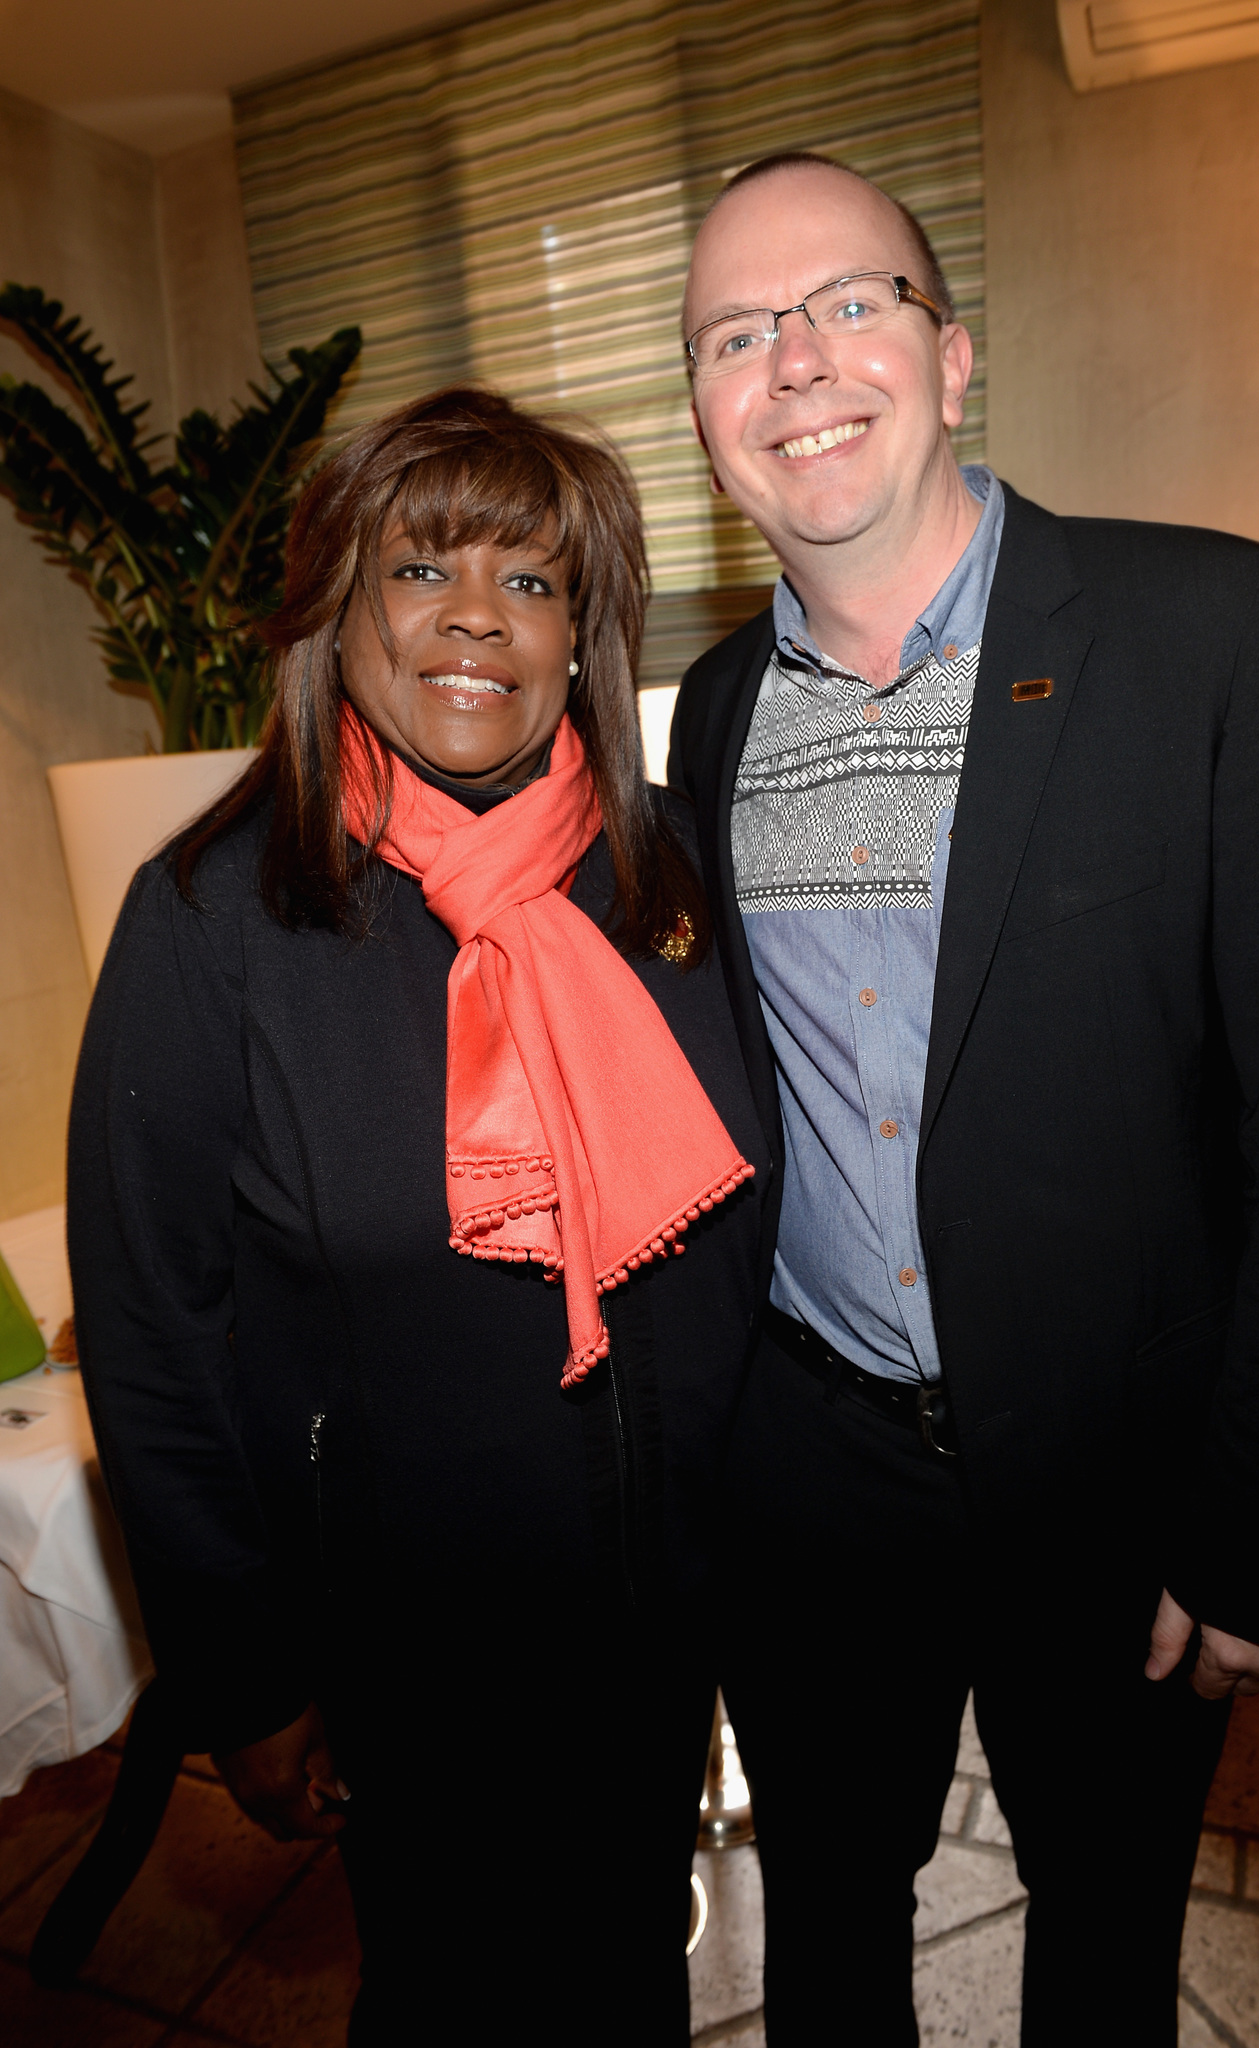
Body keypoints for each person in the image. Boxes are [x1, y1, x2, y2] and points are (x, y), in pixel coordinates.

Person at [668, 151, 1259, 2045]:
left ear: (955, 359)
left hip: (1118, 1479)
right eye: (738, 333)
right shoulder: (715, 717)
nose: (795, 359)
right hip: (810, 1475)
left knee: (1107, 1947)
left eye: (847, 305)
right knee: (824, 1930)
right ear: (707, 418)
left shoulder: (1222, 631)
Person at [68, 387, 770, 2043]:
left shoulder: (665, 874)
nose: (477, 619)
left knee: (621, 1979)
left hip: (657, 1616)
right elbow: (158, 1339)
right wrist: (244, 1675)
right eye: (421, 570)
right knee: (453, 1998)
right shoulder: (211, 916)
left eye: (532, 583)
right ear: (338, 609)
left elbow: (740, 1240)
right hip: (410, 1647)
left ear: (581, 635)